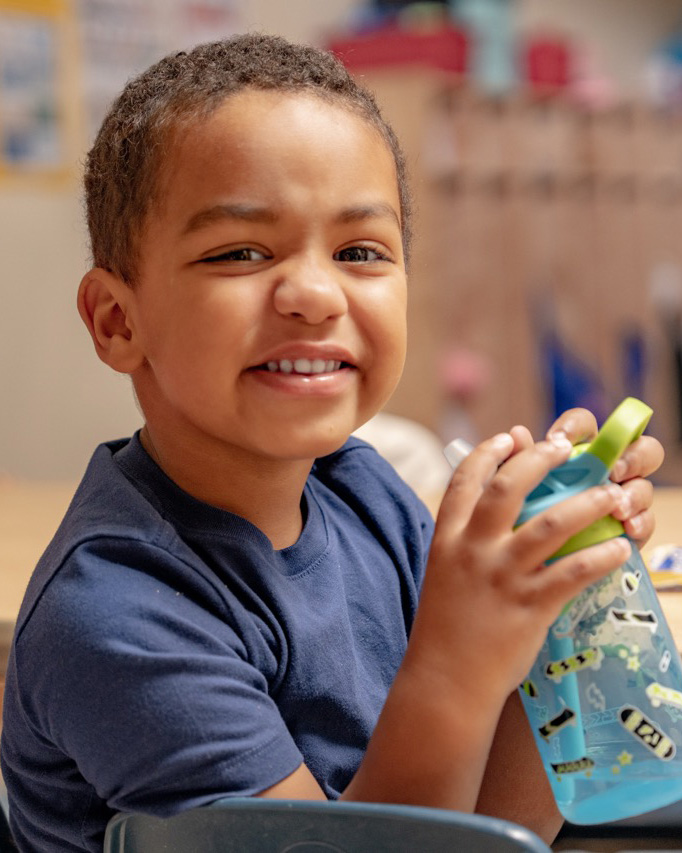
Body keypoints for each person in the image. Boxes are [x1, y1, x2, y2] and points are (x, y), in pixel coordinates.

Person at [0, 33, 663, 853]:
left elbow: (496, 830)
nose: (315, 293)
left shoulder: (363, 490)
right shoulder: (117, 615)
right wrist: (462, 654)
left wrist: (553, 608)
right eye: (240, 251)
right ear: (117, 319)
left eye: (359, 251)